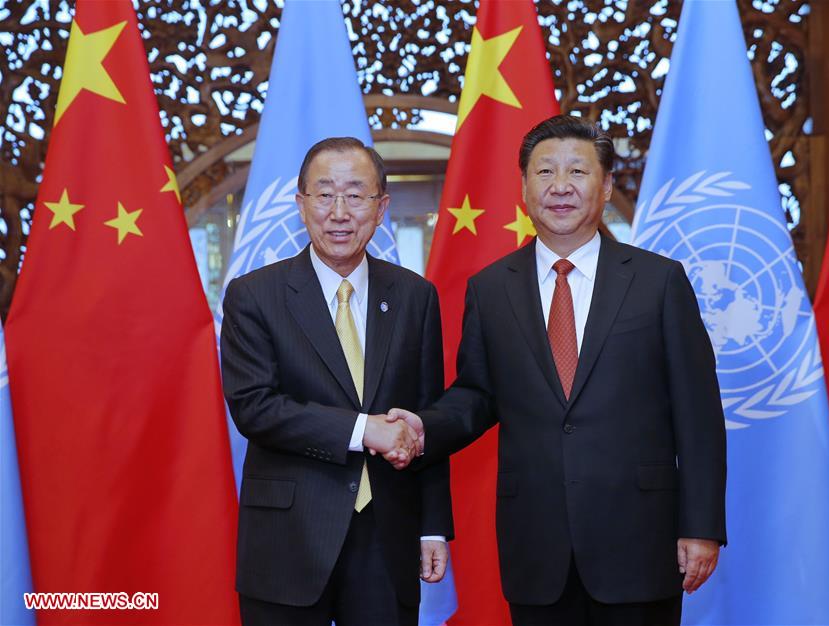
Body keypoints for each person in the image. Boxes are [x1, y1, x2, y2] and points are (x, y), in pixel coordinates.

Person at [391, 115, 727, 626]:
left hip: (640, 540)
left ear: (607, 184)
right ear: (524, 186)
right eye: (545, 172)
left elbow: (698, 414)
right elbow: (478, 396)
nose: (561, 187)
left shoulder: (659, 282)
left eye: (578, 171)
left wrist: (701, 525)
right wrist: (423, 427)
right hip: (536, 544)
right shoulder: (490, 288)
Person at [221, 137, 452, 626]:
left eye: (356, 194)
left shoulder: (415, 297)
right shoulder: (254, 296)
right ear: (301, 204)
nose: (339, 212)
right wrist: (364, 429)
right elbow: (255, 408)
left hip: (387, 533)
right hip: (289, 536)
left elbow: (428, 414)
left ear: (382, 206)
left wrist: (433, 526)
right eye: (324, 194)